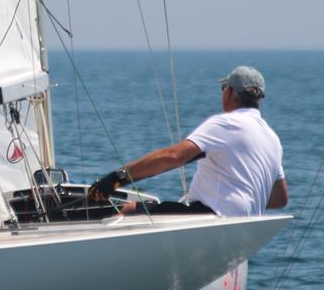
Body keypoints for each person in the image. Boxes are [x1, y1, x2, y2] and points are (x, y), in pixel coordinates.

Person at [88, 66, 288, 217]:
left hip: (211, 219)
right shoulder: (272, 138)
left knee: (127, 211)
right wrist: (246, 198)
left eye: (223, 88)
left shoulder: (225, 124)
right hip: (244, 228)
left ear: (228, 92)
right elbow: (280, 199)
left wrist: (117, 178)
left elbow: (173, 157)